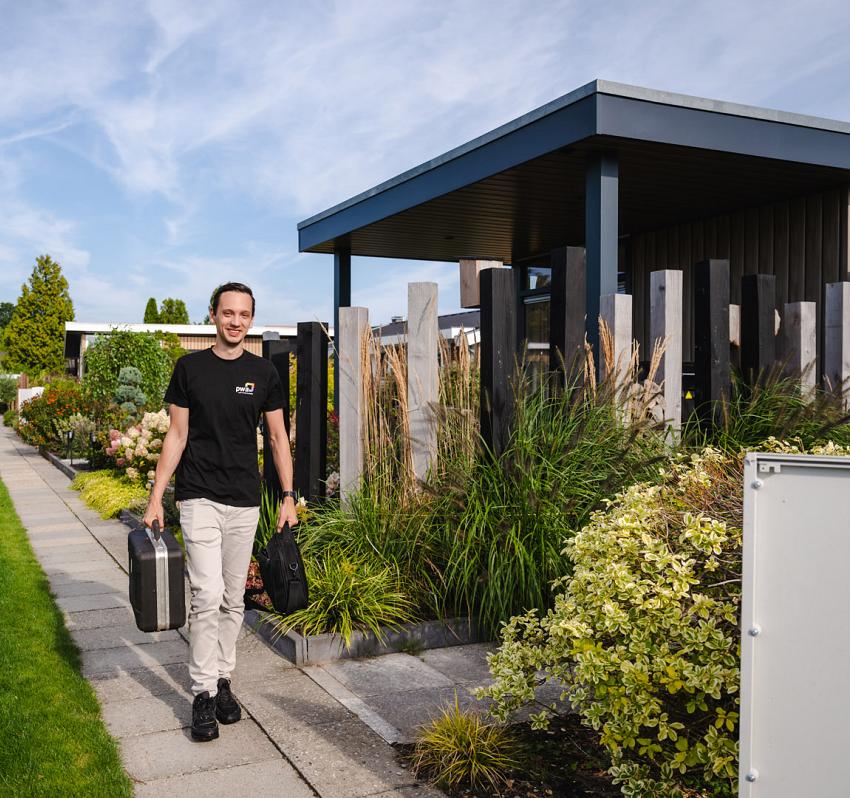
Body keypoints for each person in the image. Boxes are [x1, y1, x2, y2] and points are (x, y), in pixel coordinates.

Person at [143, 282, 297, 742]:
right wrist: (156, 496)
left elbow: (277, 438)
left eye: (244, 314)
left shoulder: (264, 372)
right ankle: (203, 695)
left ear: (251, 319)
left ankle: (224, 679)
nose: (235, 321)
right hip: (199, 497)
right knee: (206, 595)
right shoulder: (189, 368)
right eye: (227, 312)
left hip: (244, 501)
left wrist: (288, 495)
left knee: (234, 599)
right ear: (212, 315)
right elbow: (176, 435)